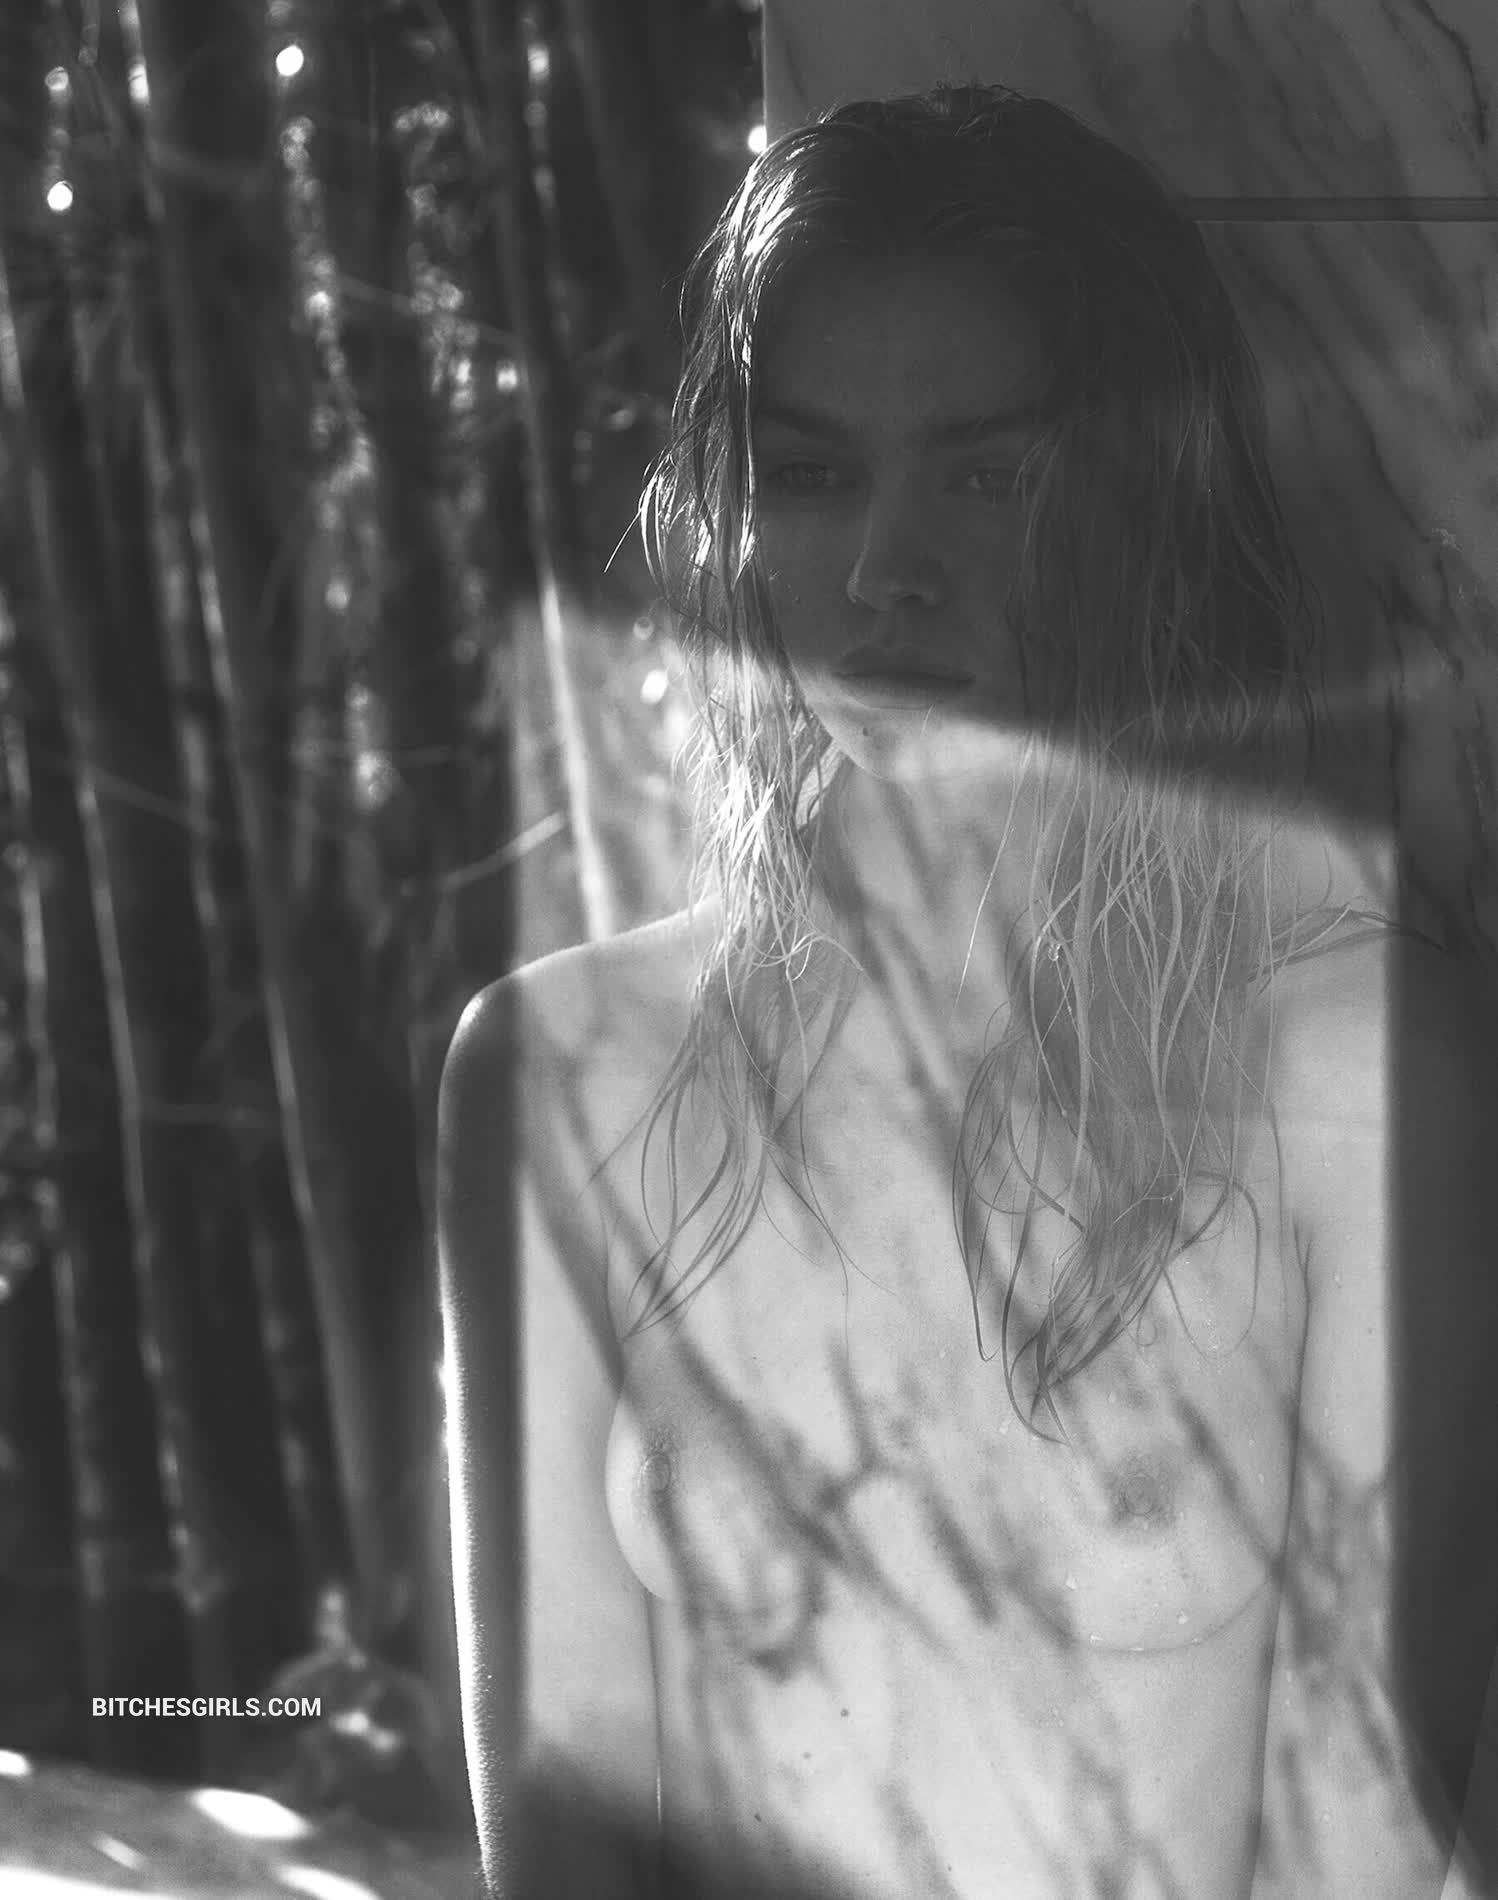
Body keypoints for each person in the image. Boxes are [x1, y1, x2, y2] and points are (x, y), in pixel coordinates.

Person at [438, 85, 1498, 1899]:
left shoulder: (1365, 1077)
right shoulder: (560, 1074)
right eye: (810, 475)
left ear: (1151, 509)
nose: (885, 573)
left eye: (991, 478)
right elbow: (563, 1828)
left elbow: (1362, 1856)